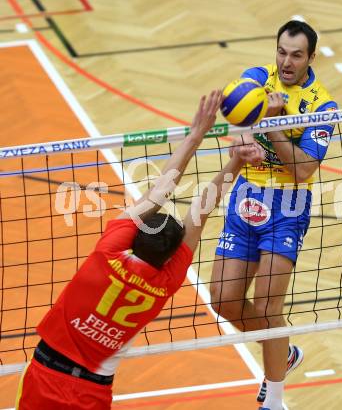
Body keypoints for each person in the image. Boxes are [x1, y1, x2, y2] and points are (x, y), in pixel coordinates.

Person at [15, 90, 264, 410]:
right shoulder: (167, 281)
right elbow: (200, 211)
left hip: (45, 373)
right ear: (171, 256)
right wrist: (237, 161)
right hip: (92, 392)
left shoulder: (108, 253)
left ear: (133, 239)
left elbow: (160, 191)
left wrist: (196, 135)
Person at [211, 20, 338, 410]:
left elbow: (303, 169)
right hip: (246, 196)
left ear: (311, 58)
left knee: (268, 308)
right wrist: (251, 123)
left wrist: (273, 125)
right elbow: (234, 110)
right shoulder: (256, 78)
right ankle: (282, 352)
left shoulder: (322, 105)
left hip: (289, 205)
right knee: (222, 299)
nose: (286, 61)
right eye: (282, 51)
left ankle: (275, 399)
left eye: (296, 55)